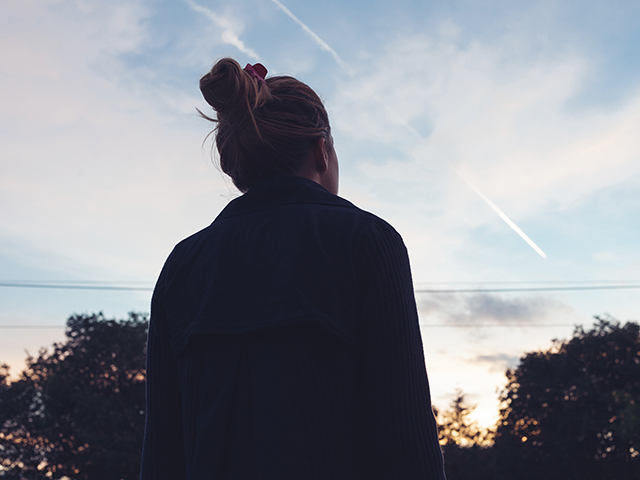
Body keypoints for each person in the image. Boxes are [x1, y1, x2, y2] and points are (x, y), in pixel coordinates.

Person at [140, 58, 446, 480]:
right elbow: (404, 436)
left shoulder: (182, 264)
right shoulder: (367, 240)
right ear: (322, 151)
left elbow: (162, 451)